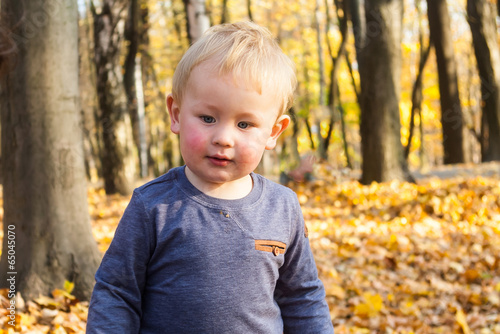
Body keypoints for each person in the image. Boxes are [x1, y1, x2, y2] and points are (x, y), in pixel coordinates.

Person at [86, 21, 334, 334]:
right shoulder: (153, 206)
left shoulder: (283, 208)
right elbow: (116, 292)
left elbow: (302, 296)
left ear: (273, 132)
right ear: (176, 114)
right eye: (207, 118)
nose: (224, 138)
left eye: (244, 125)